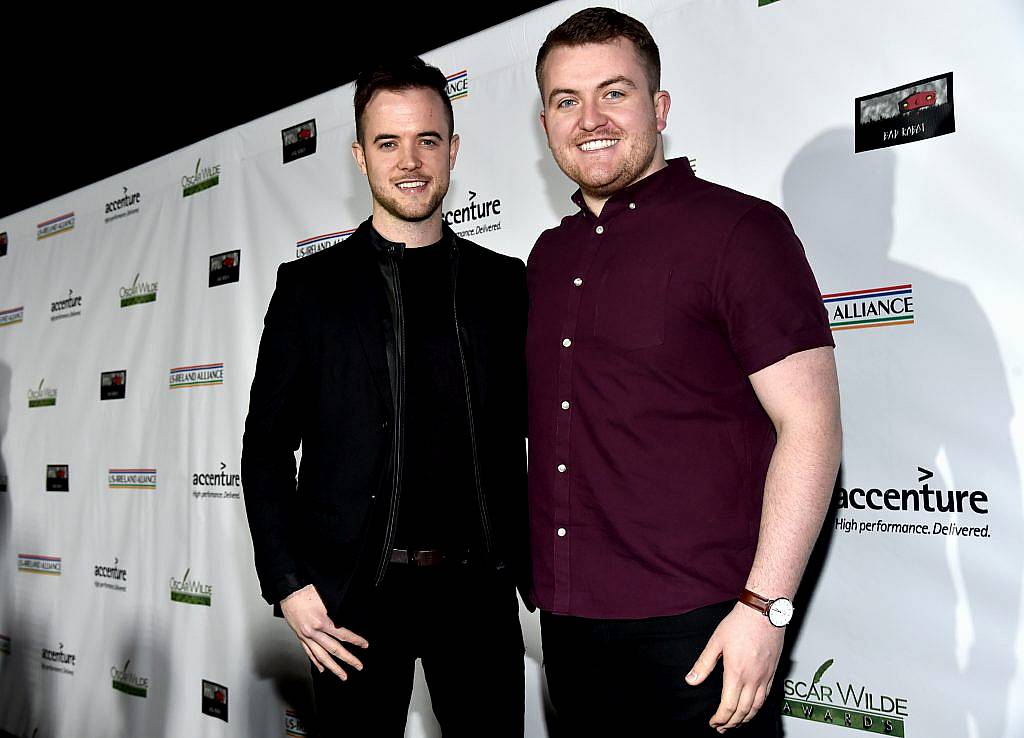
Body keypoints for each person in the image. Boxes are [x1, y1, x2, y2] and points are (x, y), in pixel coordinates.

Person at [527, 8, 842, 736]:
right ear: (545, 123)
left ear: (659, 106)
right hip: (571, 631)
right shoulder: (549, 257)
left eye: (615, 92)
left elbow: (813, 426)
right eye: (566, 101)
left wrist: (765, 608)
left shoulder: (740, 231)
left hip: (704, 631)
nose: (590, 119)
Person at [241, 57, 528, 737]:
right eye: (388, 143)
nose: (411, 161)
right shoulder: (308, 291)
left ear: (452, 151)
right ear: (359, 157)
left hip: (478, 596)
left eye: (428, 140)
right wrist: (289, 584)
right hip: (355, 600)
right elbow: (265, 451)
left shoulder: (503, 285)